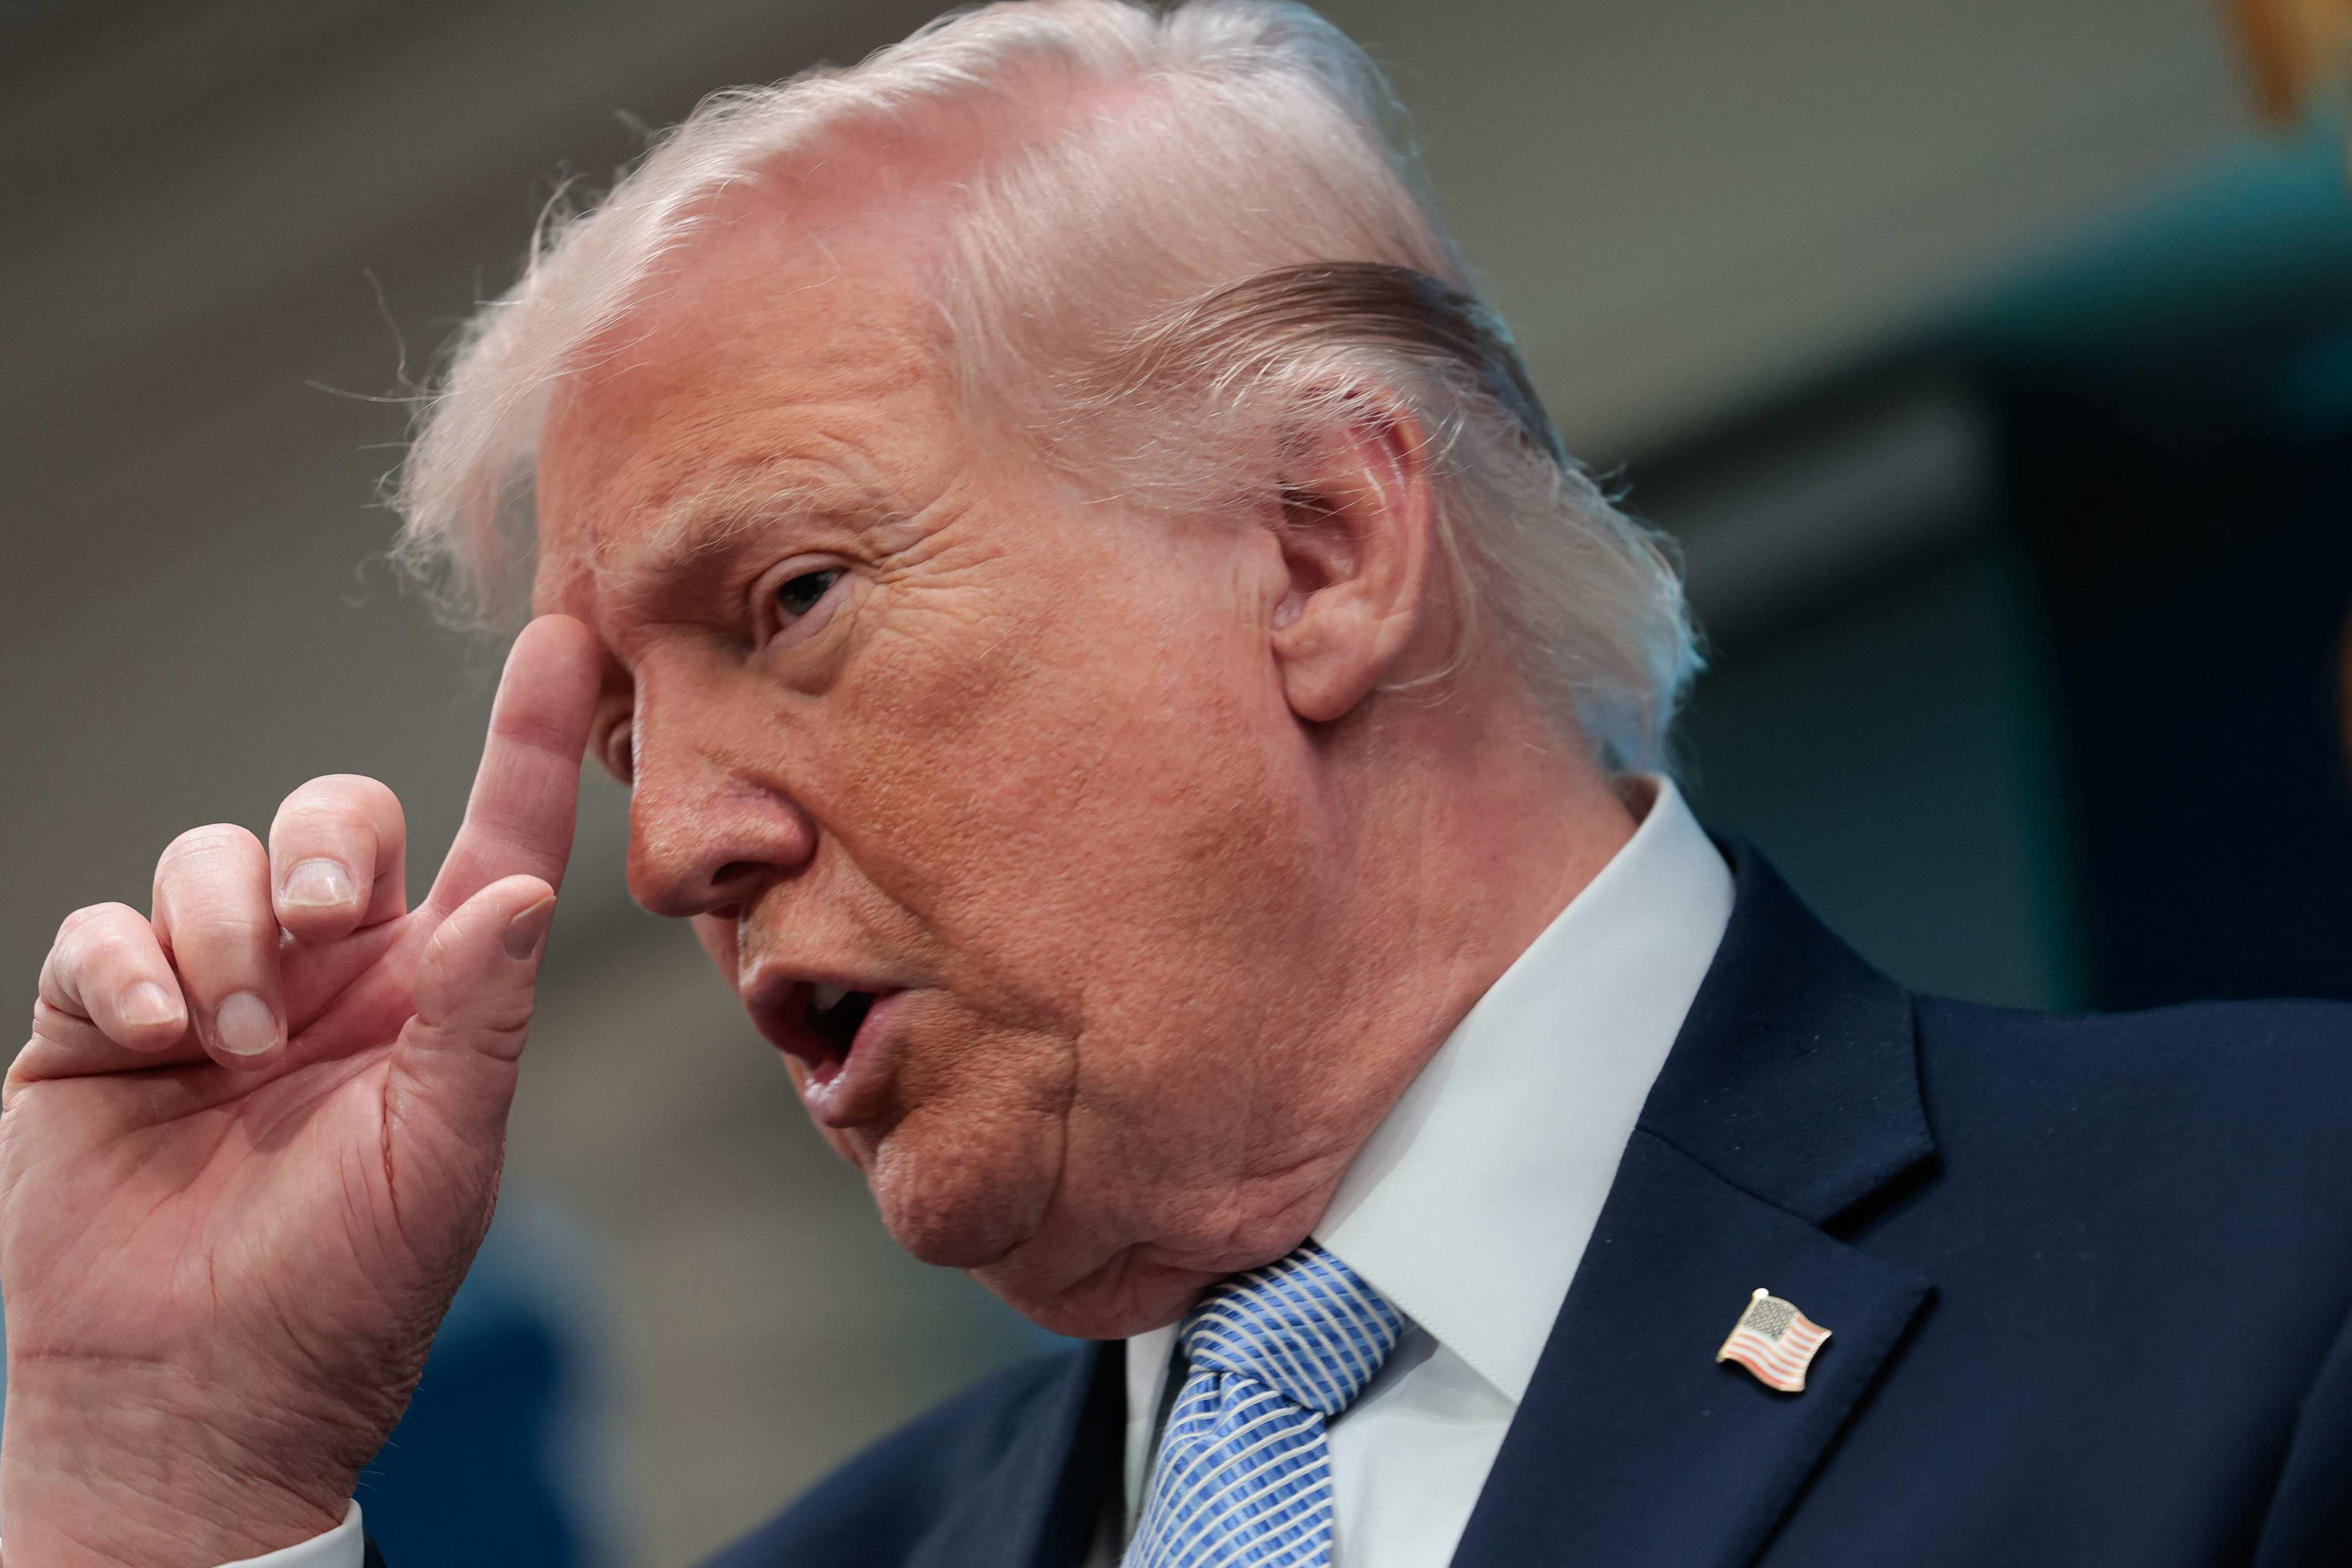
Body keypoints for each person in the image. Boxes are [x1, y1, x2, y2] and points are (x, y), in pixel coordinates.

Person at [8, 2, 2351, 1563]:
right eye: (627, 729)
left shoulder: (2282, 1257)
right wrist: (167, 1476)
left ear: (1322, 552)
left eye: (794, 601)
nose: (679, 842)